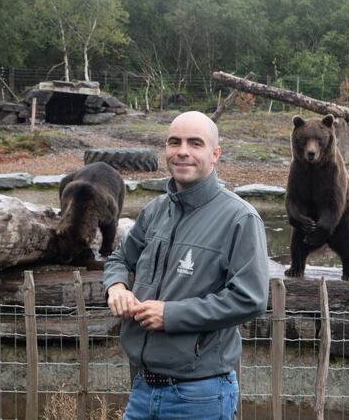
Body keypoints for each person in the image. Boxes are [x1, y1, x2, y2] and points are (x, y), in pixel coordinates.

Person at [103, 111, 270, 419]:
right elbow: (119, 258)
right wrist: (116, 287)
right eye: (174, 142)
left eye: (195, 143)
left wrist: (172, 315)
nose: (182, 151)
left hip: (199, 396)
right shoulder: (155, 211)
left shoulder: (239, 219)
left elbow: (250, 298)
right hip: (142, 389)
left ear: (215, 154)